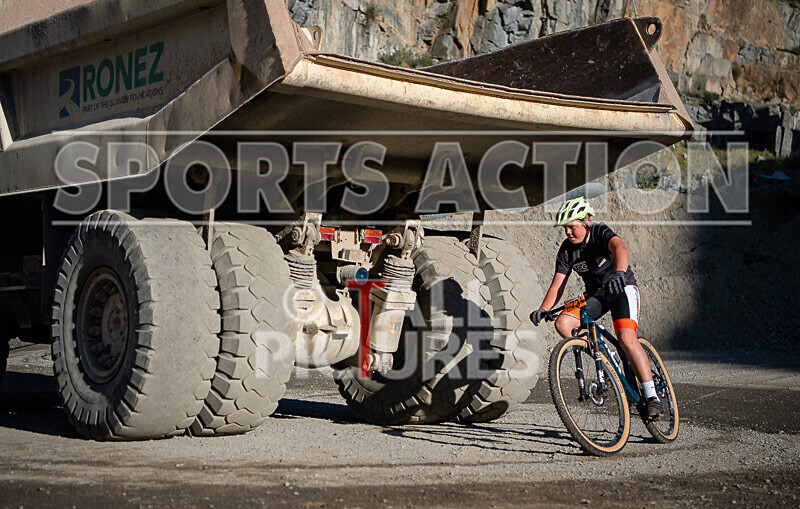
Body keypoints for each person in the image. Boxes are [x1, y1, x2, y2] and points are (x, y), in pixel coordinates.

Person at [531, 196, 663, 418]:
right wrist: (544, 308)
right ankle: (603, 358)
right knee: (563, 323)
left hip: (622, 288)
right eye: (565, 228)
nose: (568, 233)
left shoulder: (600, 232)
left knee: (627, 339)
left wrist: (620, 272)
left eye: (572, 227)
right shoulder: (566, 251)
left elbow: (620, 247)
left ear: (586, 221)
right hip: (597, 296)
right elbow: (557, 286)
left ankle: (651, 396)